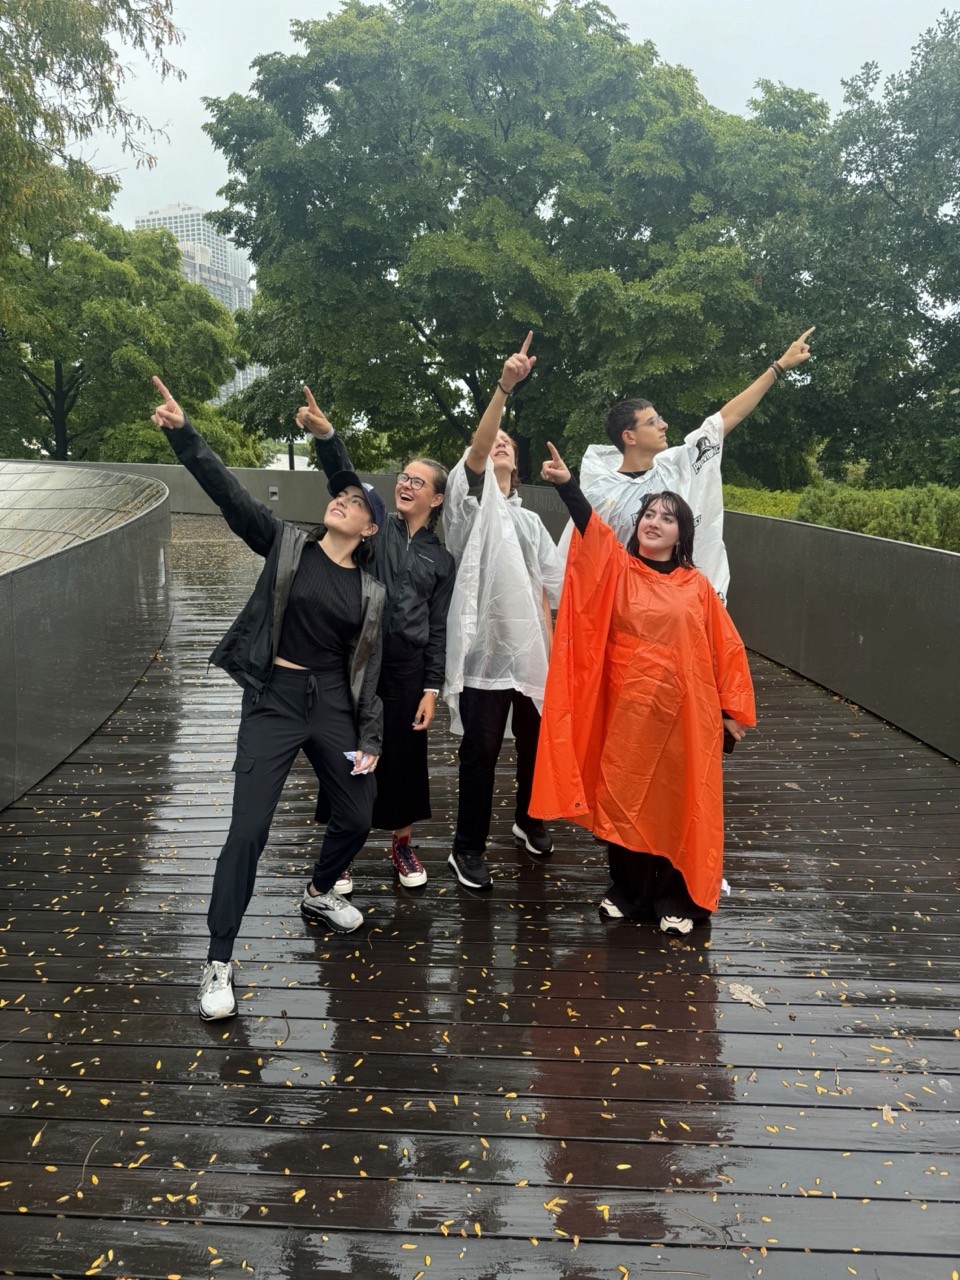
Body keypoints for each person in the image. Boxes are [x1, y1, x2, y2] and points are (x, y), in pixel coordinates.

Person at [150, 376, 387, 1021]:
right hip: (276, 699)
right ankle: (219, 960)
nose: (341, 502)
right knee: (248, 829)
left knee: (359, 815)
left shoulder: (372, 586)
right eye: (338, 496)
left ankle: (317, 890)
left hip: (335, 703)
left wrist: (369, 737)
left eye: (355, 501)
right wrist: (185, 435)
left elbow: (369, 668)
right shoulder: (286, 544)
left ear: (370, 529)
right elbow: (229, 494)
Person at [532, 441, 756, 935]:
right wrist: (568, 486)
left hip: (684, 717)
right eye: (649, 513)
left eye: (667, 518)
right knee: (624, 798)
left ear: (682, 535)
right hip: (627, 713)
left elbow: (727, 651)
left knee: (679, 802)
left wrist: (731, 713)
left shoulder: (697, 587)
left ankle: (678, 897)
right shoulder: (618, 570)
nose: (654, 521)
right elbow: (592, 534)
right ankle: (628, 891)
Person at [298, 387, 456, 890]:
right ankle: (341, 851)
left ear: (437, 498)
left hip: (409, 669)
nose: (406, 485)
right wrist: (328, 437)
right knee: (349, 753)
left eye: (419, 481)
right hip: (359, 659)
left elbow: (438, 627)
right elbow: (344, 481)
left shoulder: (441, 558)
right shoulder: (377, 528)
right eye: (404, 477)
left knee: (405, 758)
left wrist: (432, 688)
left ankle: (403, 845)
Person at [443, 334, 565, 890]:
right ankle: (466, 847)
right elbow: (474, 455)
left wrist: (558, 649)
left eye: (507, 445)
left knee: (538, 745)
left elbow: (554, 586)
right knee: (483, 749)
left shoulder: (532, 522)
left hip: (534, 652)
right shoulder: (466, 508)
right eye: (495, 443)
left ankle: (528, 819)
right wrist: (503, 389)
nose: (500, 447)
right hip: (481, 657)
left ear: (519, 465)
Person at [575, 328, 815, 602]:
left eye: (660, 418)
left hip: (681, 605)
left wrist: (779, 366)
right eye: (652, 422)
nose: (663, 425)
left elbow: (727, 417)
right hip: (630, 609)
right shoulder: (604, 496)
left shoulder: (677, 465)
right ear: (629, 437)